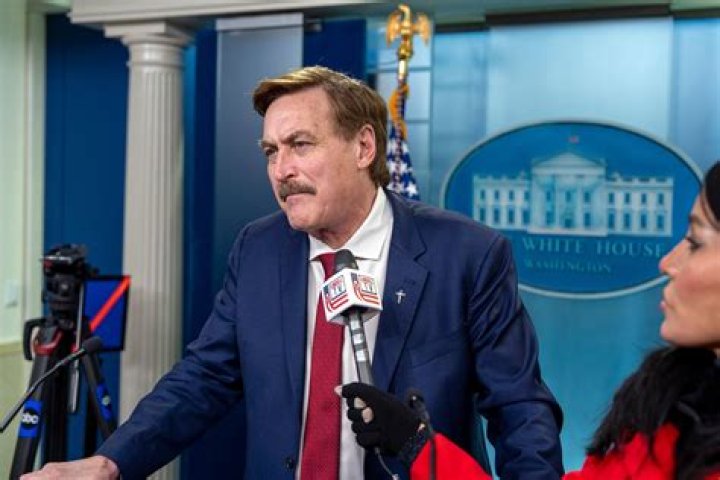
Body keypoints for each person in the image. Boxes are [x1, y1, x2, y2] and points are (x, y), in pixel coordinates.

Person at [22, 66, 562, 480]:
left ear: (364, 147)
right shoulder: (258, 248)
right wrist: (112, 461)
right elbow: (203, 378)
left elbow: (519, 407)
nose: (282, 170)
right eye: (270, 152)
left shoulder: (466, 253)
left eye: (300, 145)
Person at [341, 161, 720, 480]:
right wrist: (417, 444)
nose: (667, 262)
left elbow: (517, 402)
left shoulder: (475, 253)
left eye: (695, 241)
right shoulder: (670, 409)